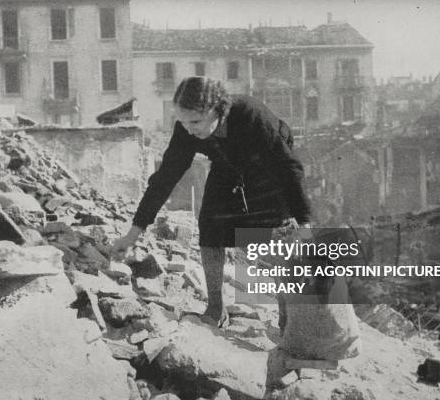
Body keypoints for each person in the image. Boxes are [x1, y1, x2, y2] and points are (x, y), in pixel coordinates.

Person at [111, 76, 312, 327]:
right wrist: (132, 234)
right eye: (183, 122)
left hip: (268, 166)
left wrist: (304, 222)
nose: (189, 129)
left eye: (195, 121)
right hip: (226, 164)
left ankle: (287, 315)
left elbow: (289, 167)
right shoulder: (187, 130)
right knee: (210, 223)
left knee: (275, 235)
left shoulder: (252, 115)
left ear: (219, 110)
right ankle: (216, 308)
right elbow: (164, 180)